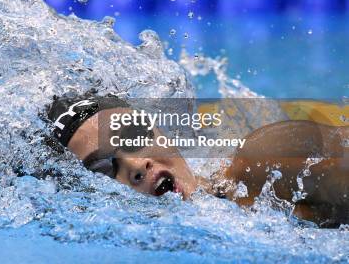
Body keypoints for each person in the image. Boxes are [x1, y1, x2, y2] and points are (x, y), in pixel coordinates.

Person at [46, 94, 349, 227]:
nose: (137, 165)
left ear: (160, 130)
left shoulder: (263, 168)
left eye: (134, 135)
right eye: (102, 168)